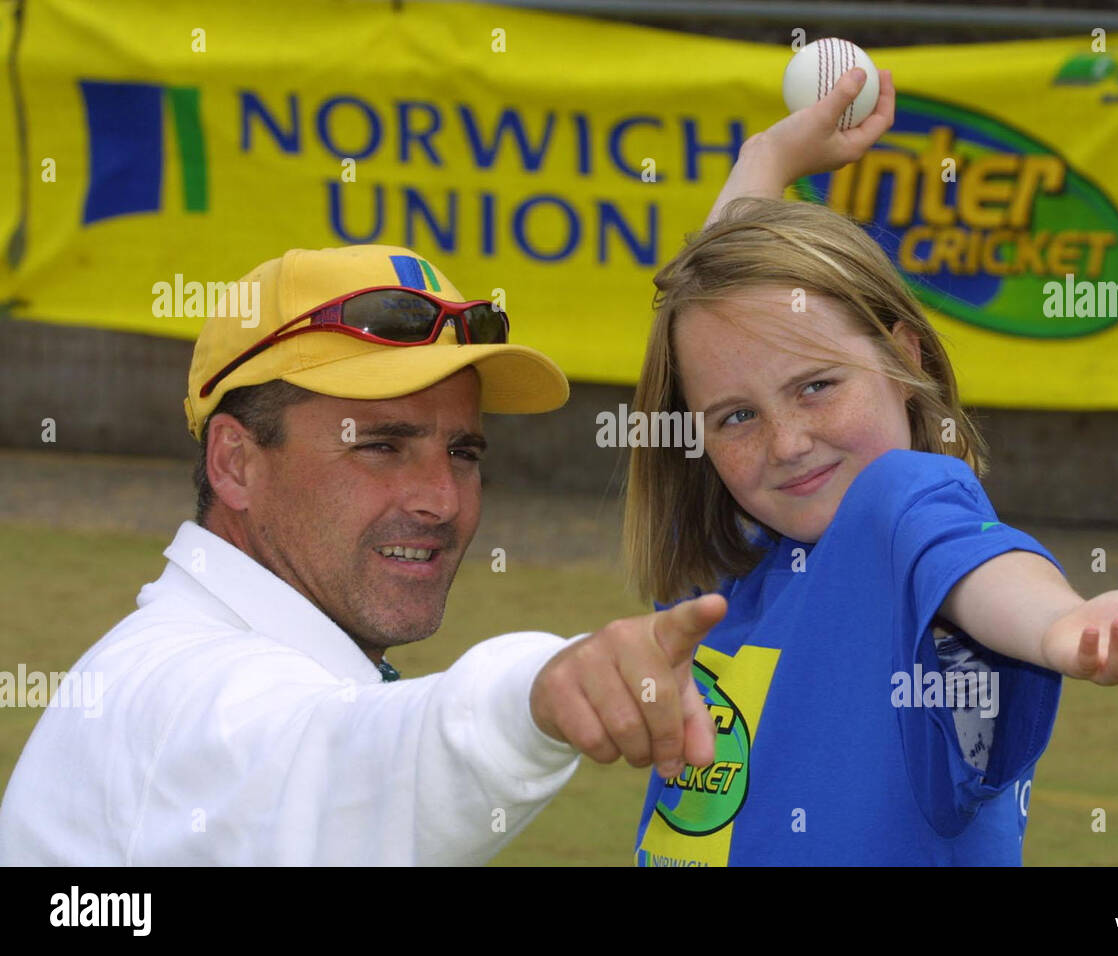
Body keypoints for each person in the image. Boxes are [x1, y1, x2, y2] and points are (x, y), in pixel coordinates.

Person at [626, 68, 1118, 865]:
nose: (786, 442)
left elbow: (973, 567)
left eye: (817, 387)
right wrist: (767, 156)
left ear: (903, 358)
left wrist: (1057, 625)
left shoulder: (899, 501)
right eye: (737, 415)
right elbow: (712, 318)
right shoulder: (730, 543)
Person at [0, 244, 725, 865]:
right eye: (380, 445)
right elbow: (347, 757)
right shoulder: (191, 693)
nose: (441, 499)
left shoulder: (197, 654)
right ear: (235, 462)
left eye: (464, 451)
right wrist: (539, 692)